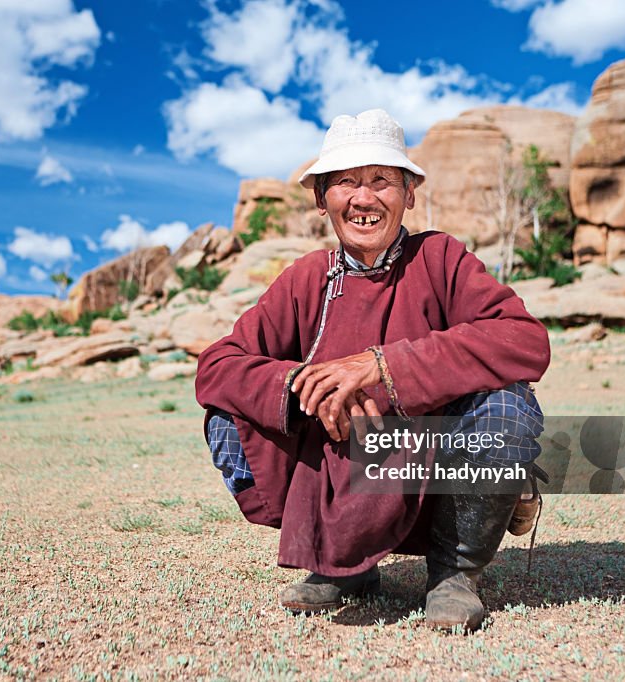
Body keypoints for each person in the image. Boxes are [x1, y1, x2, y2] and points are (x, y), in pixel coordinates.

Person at [195, 109, 550, 631]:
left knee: (507, 408)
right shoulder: (307, 279)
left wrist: (383, 366)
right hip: (344, 468)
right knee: (226, 413)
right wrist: (297, 386)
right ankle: (342, 565)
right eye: (345, 183)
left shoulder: (440, 258)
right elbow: (216, 365)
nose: (364, 199)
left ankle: (455, 573)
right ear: (322, 200)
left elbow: (524, 339)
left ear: (409, 194)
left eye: (382, 180)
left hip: (431, 469)